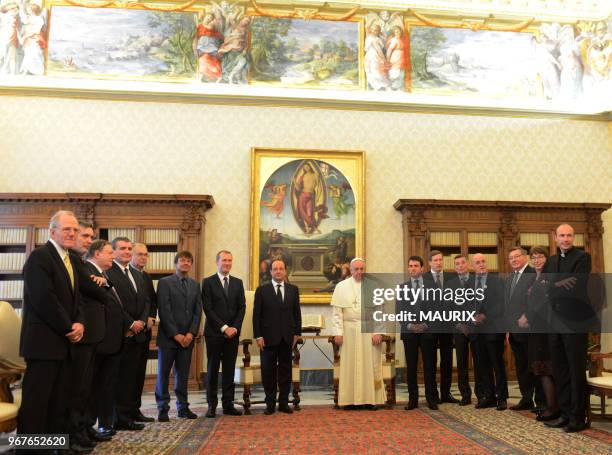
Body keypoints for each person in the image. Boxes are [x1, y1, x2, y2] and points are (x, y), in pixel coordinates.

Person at [18, 211, 85, 446]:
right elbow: (43, 298)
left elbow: (77, 299)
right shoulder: (40, 257)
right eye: (66, 229)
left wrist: (79, 322)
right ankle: (29, 451)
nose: (71, 233)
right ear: (52, 231)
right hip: (43, 344)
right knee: (37, 405)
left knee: (58, 404)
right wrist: (69, 326)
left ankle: (52, 449)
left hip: (65, 344)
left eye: (75, 230)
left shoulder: (72, 260)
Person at [543, 224, 593, 433]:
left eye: (569, 235)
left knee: (575, 369)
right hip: (555, 321)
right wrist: (558, 284)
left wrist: (554, 285)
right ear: (555, 238)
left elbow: (577, 286)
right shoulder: (551, 261)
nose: (565, 239)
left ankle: (577, 416)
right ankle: (564, 413)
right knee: (560, 369)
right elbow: (544, 287)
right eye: (562, 235)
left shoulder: (582, 257)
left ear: (574, 237)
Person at [68, 222, 113, 448]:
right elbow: (98, 294)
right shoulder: (75, 263)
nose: (87, 239)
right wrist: (103, 286)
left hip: (93, 334)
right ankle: (72, 435)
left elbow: (101, 291)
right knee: (78, 389)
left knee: (87, 388)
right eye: (83, 235)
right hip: (78, 334)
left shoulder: (81, 263)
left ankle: (84, 428)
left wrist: (104, 283)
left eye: (89, 236)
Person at [85, 240, 128, 439]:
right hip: (100, 340)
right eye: (110, 252)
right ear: (96, 253)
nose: (113, 256)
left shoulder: (104, 275)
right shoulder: (87, 271)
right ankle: (94, 426)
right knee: (97, 386)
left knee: (107, 384)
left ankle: (105, 423)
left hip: (112, 339)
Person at [106, 237, 150, 431]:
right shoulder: (108, 272)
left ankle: (133, 411)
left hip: (139, 334)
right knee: (122, 378)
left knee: (136, 377)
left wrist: (141, 321)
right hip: (123, 333)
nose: (126, 252)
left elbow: (146, 300)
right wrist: (131, 323)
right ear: (113, 251)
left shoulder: (136, 273)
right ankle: (121, 418)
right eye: (122, 248)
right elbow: (112, 303)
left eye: (129, 248)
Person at [332, 258, 385, 409]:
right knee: (350, 365)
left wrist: (378, 332)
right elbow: (337, 313)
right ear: (351, 270)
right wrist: (338, 333)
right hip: (348, 331)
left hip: (368, 331)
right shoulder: (341, 287)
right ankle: (349, 400)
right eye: (357, 269)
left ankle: (370, 400)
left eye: (362, 269)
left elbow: (379, 312)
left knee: (370, 365)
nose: (359, 272)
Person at [155, 251, 202, 421]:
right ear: (176, 263)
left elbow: (198, 311)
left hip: (188, 339)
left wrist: (191, 333)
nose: (186, 263)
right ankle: (162, 409)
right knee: (163, 374)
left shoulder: (195, 285)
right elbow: (164, 310)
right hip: (169, 338)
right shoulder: (164, 283)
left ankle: (183, 408)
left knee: (182, 375)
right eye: (182, 260)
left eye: (189, 261)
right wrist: (176, 334)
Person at [253, 259, 302, 414]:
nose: (278, 271)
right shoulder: (262, 290)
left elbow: (296, 314)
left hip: (287, 338)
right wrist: (258, 336)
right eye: (275, 269)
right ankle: (270, 403)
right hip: (267, 338)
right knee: (268, 372)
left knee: (285, 372)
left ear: (285, 271)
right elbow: (256, 316)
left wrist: (297, 333)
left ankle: (283, 403)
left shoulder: (293, 290)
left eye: (281, 268)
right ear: (271, 272)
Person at [202, 250, 246, 418]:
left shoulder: (237, 282)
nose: (227, 263)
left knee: (229, 370)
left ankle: (228, 404)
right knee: (212, 370)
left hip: (232, 335)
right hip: (214, 333)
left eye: (229, 260)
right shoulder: (208, 282)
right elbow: (208, 308)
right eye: (224, 260)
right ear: (217, 262)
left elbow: (242, 307)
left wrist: (234, 328)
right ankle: (211, 405)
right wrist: (224, 327)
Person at [505, 247, 544, 411]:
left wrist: (527, 316)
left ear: (525, 257)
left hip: (529, 328)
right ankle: (526, 398)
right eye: (511, 258)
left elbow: (537, 300)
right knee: (521, 366)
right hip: (514, 330)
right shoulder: (509, 278)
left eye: (517, 256)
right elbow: (507, 305)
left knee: (534, 365)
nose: (514, 260)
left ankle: (541, 401)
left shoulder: (532, 274)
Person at [524, 246, 560, 422]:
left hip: (546, 329)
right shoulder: (534, 278)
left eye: (540, 257)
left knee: (546, 369)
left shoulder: (549, 277)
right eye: (534, 257)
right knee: (541, 369)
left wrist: (527, 316)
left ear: (547, 259)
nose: (537, 260)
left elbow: (545, 304)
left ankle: (553, 408)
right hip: (536, 329)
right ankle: (548, 405)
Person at [472, 253, 508, 411]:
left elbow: (501, 303)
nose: (481, 264)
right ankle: (489, 396)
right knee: (482, 365)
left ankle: (502, 397)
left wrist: (485, 315)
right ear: (472, 266)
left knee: (497, 364)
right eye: (477, 262)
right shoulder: (469, 283)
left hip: (493, 329)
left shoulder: (497, 281)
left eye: (483, 262)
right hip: (476, 331)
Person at [422, 250, 458, 406]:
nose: (438, 262)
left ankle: (445, 393)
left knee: (447, 361)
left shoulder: (452, 278)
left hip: (447, 326)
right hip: (429, 326)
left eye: (440, 260)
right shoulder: (423, 279)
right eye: (435, 260)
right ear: (429, 262)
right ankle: (431, 396)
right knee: (430, 361)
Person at [129, 243, 157, 424]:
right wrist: (135, 323)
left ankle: (135, 409)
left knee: (139, 375)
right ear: (131, 255)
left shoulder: (146, 277)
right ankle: (125, 412)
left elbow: (152, 301)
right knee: (128, 376)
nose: (143, 258)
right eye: (139, 254)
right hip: (129, 332)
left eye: (145, 255)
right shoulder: (125, 274)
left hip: (145, 332)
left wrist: (151, 318)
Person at [447, 254, 480, 406]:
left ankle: (481, 394)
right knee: (461, 363)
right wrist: (459, 324)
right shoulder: (450, 284)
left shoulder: (477, 281)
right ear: (455, 267)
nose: (460, 266)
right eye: (457, 264)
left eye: (462, 263)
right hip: (458, 328)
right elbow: (447, 309)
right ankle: (465, 395)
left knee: (479, 362)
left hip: (476, 328)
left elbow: (481, 305)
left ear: (468, 265)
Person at [397, 255, 426, 409]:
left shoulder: (431, 287)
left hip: (427, 332)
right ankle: (412, 399)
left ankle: (431, 398)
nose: (413, 268)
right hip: (409, 333)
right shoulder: (402, 288)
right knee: (412, 367)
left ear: (422, 268)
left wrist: (425, 324)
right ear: (408, 268)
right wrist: (410, 325)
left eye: (416, 265)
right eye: (411, 266)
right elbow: (399, 312)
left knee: (429, 366)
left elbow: (437, 309)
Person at [385, 26, 406, 90]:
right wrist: (388, 59)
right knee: (394, 72)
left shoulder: (401, 39)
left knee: (400, 72)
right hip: (396, 57)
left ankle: (397, 87)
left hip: (401, 58)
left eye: (399, 31)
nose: (398, 33)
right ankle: (392, 86)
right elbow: (389, 50)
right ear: (394, 33)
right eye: (396, 32)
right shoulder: (394, 40)